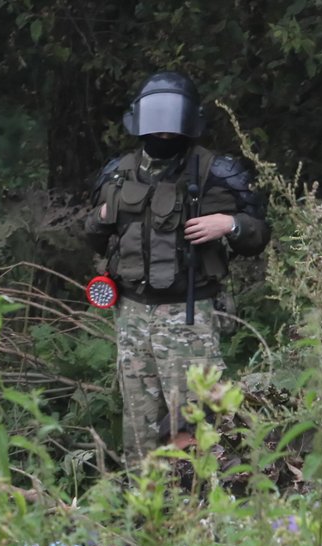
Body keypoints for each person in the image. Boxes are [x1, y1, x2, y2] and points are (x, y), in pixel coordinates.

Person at [87, 72, 268, 462]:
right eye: (157, 127)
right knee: (139, 425)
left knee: (202, 421)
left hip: (191, 314)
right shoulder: (118, 173)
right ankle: (146, 510)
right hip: (131, 313)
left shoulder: (216, 172)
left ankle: (203, 507)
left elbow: (258, 234)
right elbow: (92, 235)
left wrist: (229, 224)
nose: (164, 135)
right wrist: (101, 218)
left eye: (173, 129)